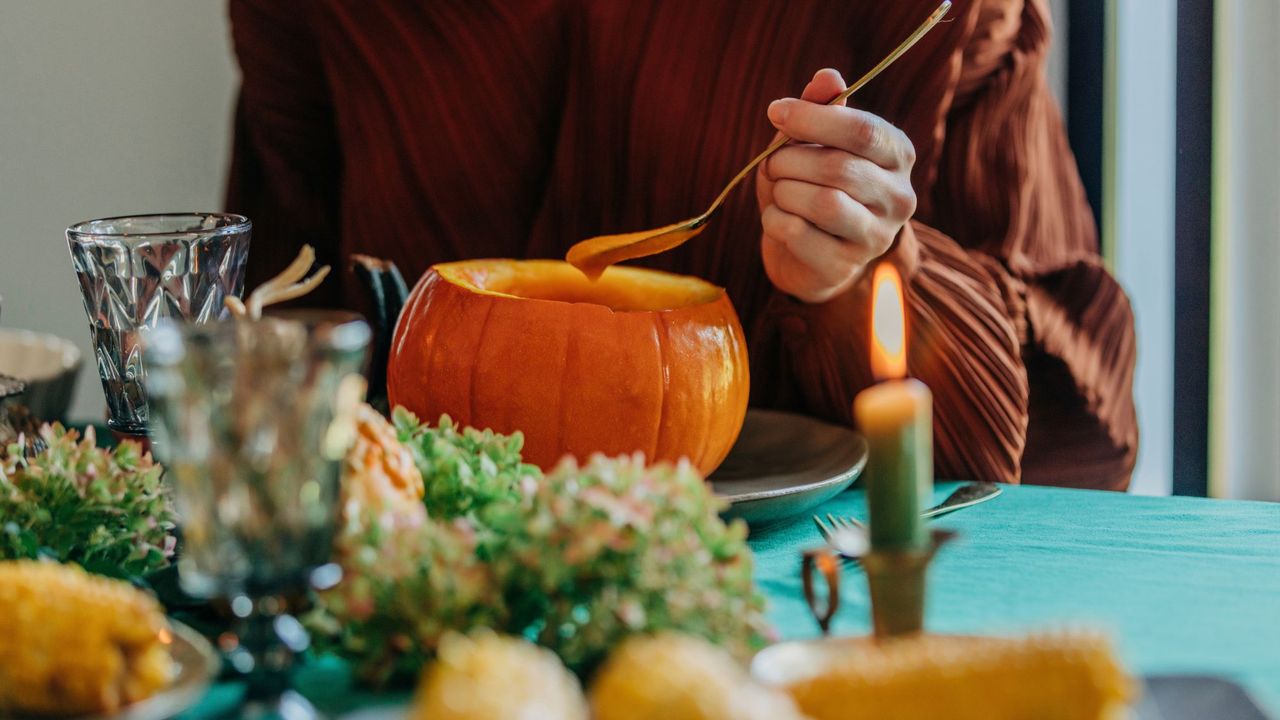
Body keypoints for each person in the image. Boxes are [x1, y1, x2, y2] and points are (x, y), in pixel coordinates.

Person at [226, 0, 1137, 490]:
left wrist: (864, 272)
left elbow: (1060, 431)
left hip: (801, 598)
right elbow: (268, 320)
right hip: (416, 596)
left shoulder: (938, 11)